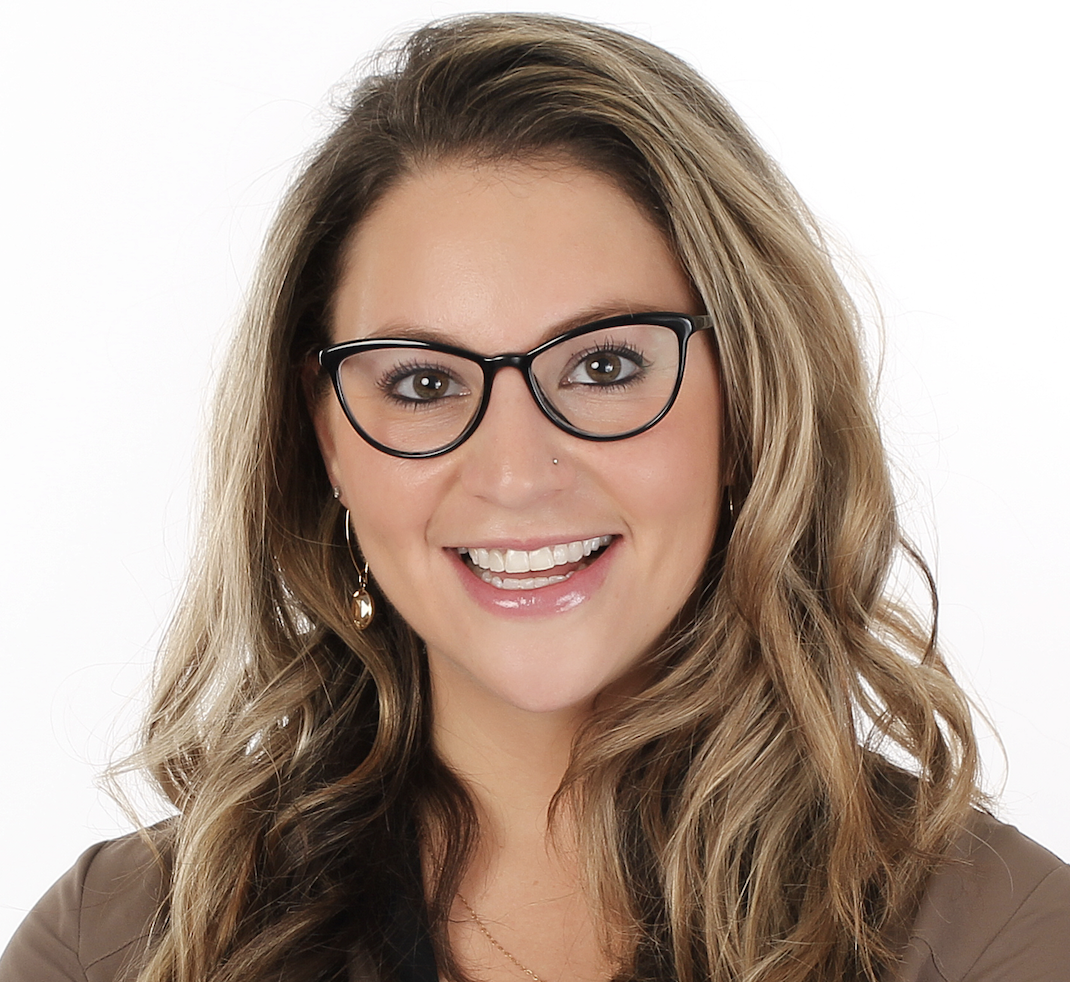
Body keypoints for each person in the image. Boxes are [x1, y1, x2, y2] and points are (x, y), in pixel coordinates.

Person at [2, 12, 1067, 982]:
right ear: (325, 439)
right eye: (422, 384)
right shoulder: (118, 943)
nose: (514, 473)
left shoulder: (986, 935)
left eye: (603, 366)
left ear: (750, 400)